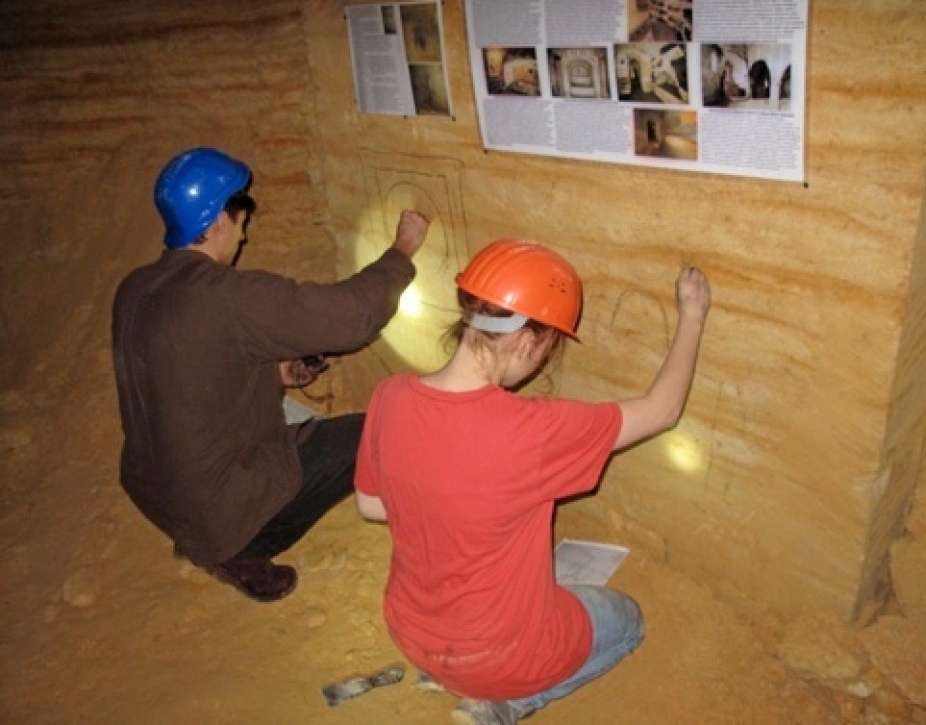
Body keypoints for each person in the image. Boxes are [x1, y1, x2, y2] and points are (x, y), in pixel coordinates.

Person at [354, 239, 711, 724]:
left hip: (412, 632)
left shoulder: (390, 395)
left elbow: (372, 505)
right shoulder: (533, 430)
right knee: (627, 621)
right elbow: (662, 410)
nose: (541, 361)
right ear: (525, 341)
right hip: (498, 659)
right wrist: (693, 315)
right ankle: (508, 703)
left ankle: (452, 674)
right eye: (546, 347)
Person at [112, 146, 429, 603]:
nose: (243, 236)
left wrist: (274, 373)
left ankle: (215, 539)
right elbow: (351, 316)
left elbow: (186, 379)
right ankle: (238, 552)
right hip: (221, 515)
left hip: (161, 500)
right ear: (218, 222)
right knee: (381, 429)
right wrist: (402, 252)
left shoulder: (135, 288)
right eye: (241, 222)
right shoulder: (224, 296)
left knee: (276, 440)